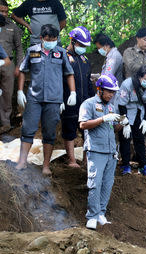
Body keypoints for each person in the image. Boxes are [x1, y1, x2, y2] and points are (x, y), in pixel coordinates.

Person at [15, 24, 75, 175]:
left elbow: (69, 74)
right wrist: (20, 91)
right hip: (34, 98)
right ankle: (22, 162)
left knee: (49, 133)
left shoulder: (61, 53)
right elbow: (22, 70)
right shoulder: (32, 51)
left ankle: (46, 165)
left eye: (54, 39)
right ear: (41, 38)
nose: (51, 41)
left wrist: (72, 92)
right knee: (28, 129)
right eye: (48, 39)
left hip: (54, 99)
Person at [79, 74, 131, 230]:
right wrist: (103, 119)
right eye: (108, 91)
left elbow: (112, 128)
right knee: (95, 183)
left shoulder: (110, 106)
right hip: (96, 150)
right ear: (99, 89)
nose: (111, 95)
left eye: (113, 92)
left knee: (107, 184)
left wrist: (123, 123)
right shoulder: (89, 104)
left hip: (110, 151)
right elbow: (83, 125)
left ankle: (101, 212)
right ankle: (92, 216)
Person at [62, 26, 95, 168]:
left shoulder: (84, 60)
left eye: (85, 46)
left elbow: (88, 82)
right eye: (81, 45)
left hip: (84, 102)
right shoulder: (63, 56)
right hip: (68, 101)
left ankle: (87, 160)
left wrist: (93, 99)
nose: (83, 48)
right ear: (73, 41)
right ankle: (72, 160)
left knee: (87, 131)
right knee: (69, 130)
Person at [117, 64, 146, 178]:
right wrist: (124, 121)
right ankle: (125, 165)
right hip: (125, 111)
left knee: (140, 139)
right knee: (125, 138)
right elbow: (121, 104)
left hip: (140, 111)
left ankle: (143, 166)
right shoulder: (128, 84)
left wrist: (145, 119)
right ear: (139, 77)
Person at [0, 1, 23, 134]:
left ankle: (5, 124)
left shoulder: (12, 26)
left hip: (8, 64)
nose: (3, 14)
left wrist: (19, 66)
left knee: (7, 94)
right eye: (1, 11)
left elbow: (19, 48)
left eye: (5, 11)